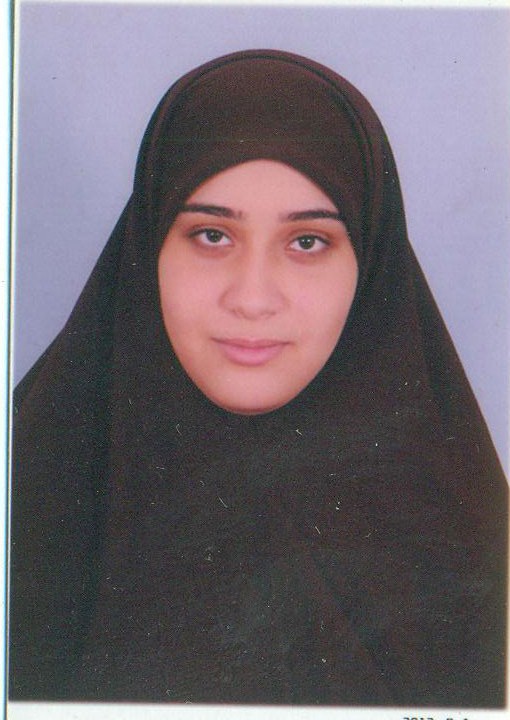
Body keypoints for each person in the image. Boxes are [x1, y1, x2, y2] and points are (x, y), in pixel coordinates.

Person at [10, 49, 507, 706]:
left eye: (308, 242)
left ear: (370, 266)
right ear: (148, 245)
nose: (251, 298)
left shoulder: (474, 553)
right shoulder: (21, 502)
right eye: (212, 235)